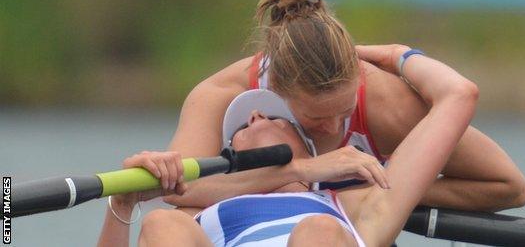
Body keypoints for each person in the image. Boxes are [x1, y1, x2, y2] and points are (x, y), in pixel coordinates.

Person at [166, 0, 525, 212]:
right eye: (315, 117)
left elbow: (508, 187)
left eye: (344, 111)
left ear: (358, 77)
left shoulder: (385, 104)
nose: (334, 126)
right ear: (274, 89)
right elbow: (179, 192)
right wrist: (303, 172)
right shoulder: (218, 97)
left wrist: (380, 191)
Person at [99, 78, 479, 246]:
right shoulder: (196, 212)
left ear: (311, 148)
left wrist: (396, 54)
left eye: (277, 118)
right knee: (162, 223)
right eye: (239, 130)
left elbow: (458, 96)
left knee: (318, 234)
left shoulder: (354, 202)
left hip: (321, 236)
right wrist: (123, 203)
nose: (256, 118)